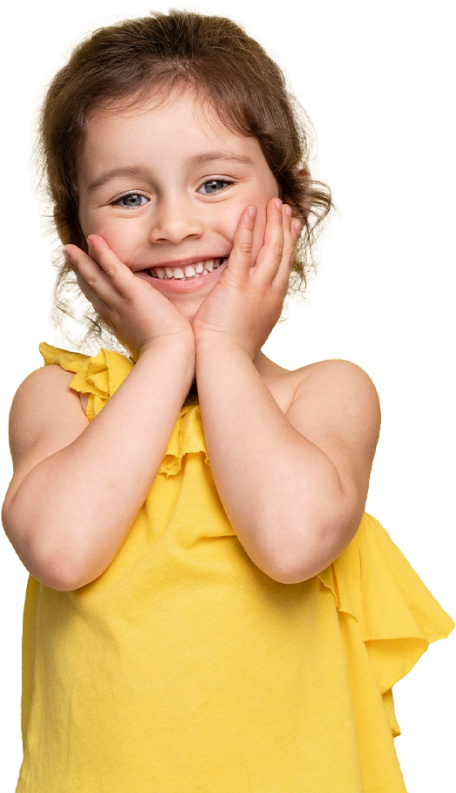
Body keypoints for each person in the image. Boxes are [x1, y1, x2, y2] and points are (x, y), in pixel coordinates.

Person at [4, 5, 454, 791]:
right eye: (128, 198)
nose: (176, 225)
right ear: (77, 237)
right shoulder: (59, 398)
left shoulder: (325, 392)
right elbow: (62, 550)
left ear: (288, 203)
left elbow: (291, 541)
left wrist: (217, 346)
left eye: (214, 183)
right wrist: (166, 353)